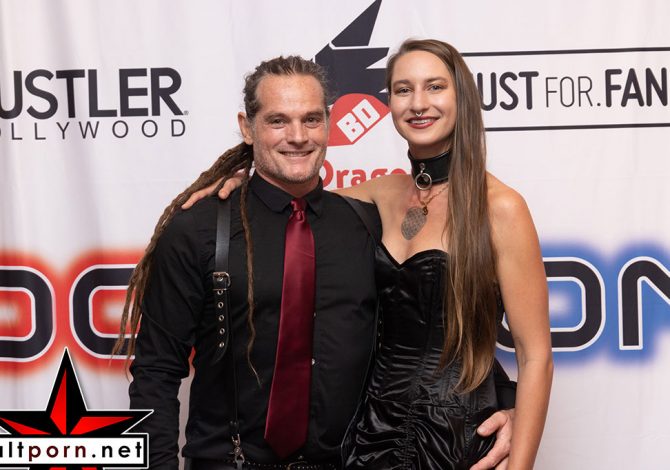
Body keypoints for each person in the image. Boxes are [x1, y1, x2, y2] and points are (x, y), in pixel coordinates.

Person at [117, 55, 517, 470]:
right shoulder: (200, 229)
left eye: (311, 119)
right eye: (278, 121)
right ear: (247, 128)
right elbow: (156, 372)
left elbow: (424, 331)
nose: (297, 136)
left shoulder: (366, 224)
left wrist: (507, 403)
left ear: (328, 123)